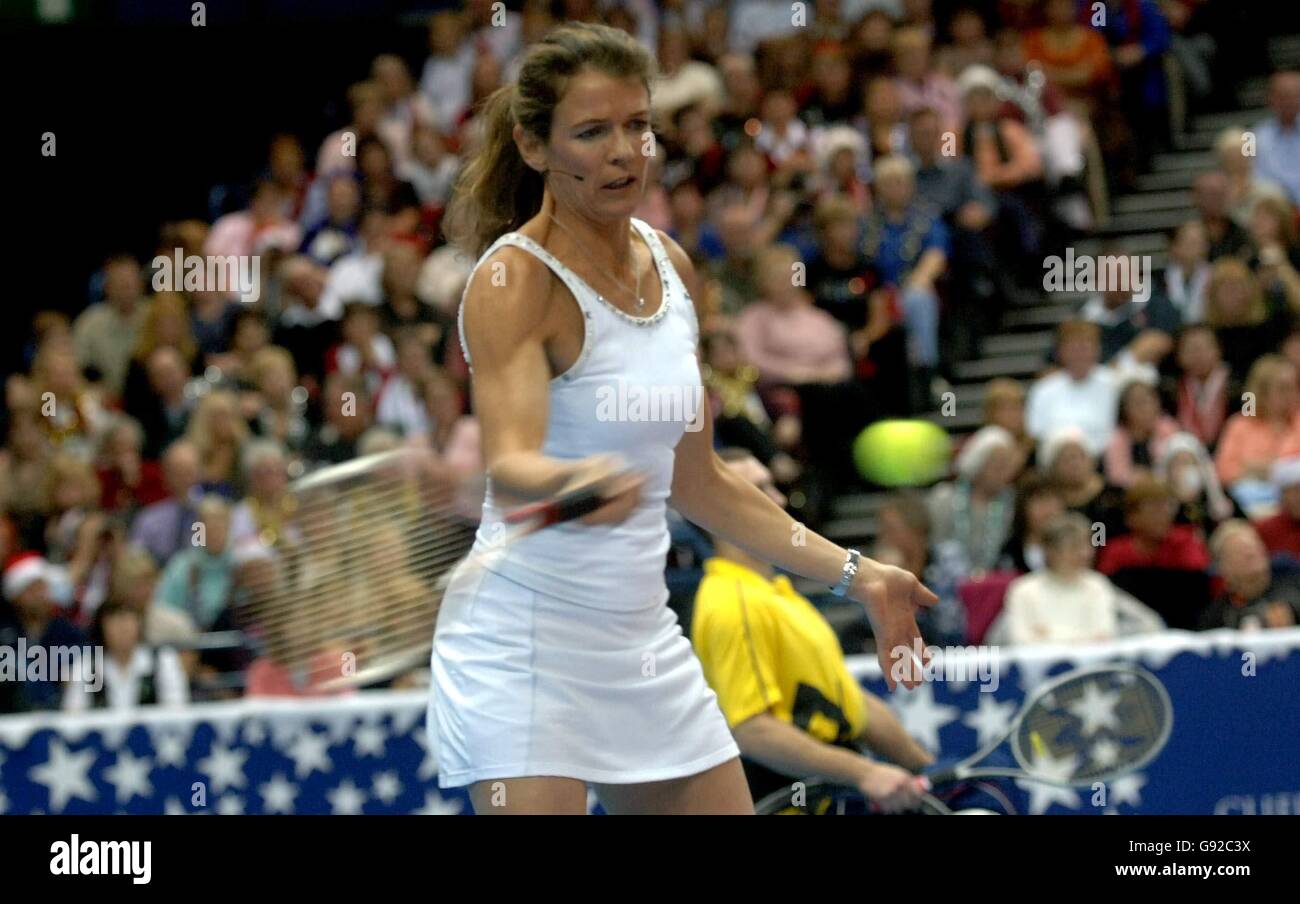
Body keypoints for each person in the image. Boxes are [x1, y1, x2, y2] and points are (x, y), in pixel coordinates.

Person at [431, 23, 935, 816]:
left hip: (640, 643)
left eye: (637, 125)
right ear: (533, 148)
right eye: (592, 132)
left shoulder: (674, 266)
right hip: (525, 645)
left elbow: (702, 480)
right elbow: (512, 466)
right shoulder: (513, 281)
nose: (625, 151)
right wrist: (577, 480)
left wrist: (859, 573)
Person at [691, 451, 933, 813]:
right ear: (718, 508)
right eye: (759, 489)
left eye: (772, 484)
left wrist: (926, 770)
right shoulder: (731, 601)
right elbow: (752, 729)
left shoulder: (780, 596)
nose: (780, 499)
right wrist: (865, 772)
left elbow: (853, 705)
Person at [994, 512, 1163, 645]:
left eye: (1087, 545)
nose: (1084, 554)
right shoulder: (1023, 590)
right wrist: (1081, 639)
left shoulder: (1097, 585)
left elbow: (1105, 636)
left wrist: (1047, 635)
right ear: (1050, 551)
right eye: (1074, 547)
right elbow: (1020, 641)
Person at [63, 602, 190, 711]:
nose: (122, 629)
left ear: (139, 624)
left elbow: (176, 709)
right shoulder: (87, 664)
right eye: (115, 622)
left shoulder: (162, 660)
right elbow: (74, 715)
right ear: (102, 627)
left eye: (127, 621)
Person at [1202, 519, 1300, 630]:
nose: (1251, 553)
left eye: (1254, 546)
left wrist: (1292, 611)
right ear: (1224, 568)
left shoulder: (1293, 583)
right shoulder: (1217, 617)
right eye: (1240, 551)